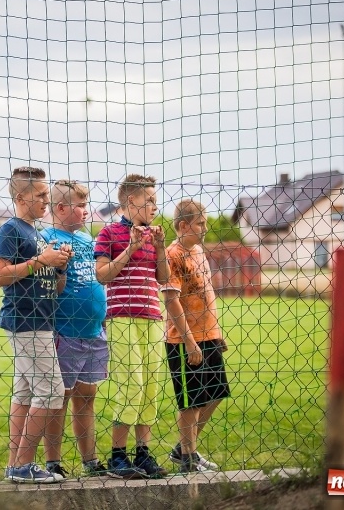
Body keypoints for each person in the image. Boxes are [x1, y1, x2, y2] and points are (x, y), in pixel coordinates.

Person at [0, 166, 72, 484]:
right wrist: (42, 261)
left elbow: (56, 287)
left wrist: (60, 267)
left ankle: (15, 463)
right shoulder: (11, 230)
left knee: (25, 392)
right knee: (51, 391)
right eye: (40, 195)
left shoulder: (35, 233)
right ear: (21, 196)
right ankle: (23, 466)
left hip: (41, 321)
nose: (46, 200)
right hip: (25, 321)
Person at [94, 173, 169, 479]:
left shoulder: (155, 235)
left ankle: (143, 454)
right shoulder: (109, 233)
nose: (155, 206)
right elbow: (102, 276)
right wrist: (130, 249)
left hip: (152, 317)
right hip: (121, 317)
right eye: (149, 200)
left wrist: (161, 247)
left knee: (151, 386)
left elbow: (163, 278)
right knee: (131, 384)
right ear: (129, 201)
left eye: (155, 200)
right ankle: (117, 457)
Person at [41, 180, 109, 478]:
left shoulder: (86, 239)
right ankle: (53, 461)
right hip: (65, 331)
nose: (85, 211)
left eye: (86, 204)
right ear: (60, 208)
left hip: (94, 330)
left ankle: (89, 460)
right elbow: (49, 289)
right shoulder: (46, 239)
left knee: (87, 395)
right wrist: (60, 269)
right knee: (59, 397)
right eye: (80, 206)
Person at [160, 199, 230, 473]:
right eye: (200, 223)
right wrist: (189, 341)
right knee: (191, 400)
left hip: (208, 334)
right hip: (183, 339)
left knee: (216, 393)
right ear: (182, 225)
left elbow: (206, 294)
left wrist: (216, 332)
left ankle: (182, 448)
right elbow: (171, 300)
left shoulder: (199, 251)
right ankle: (188, 459)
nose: (205, 228)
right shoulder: (171, 255)